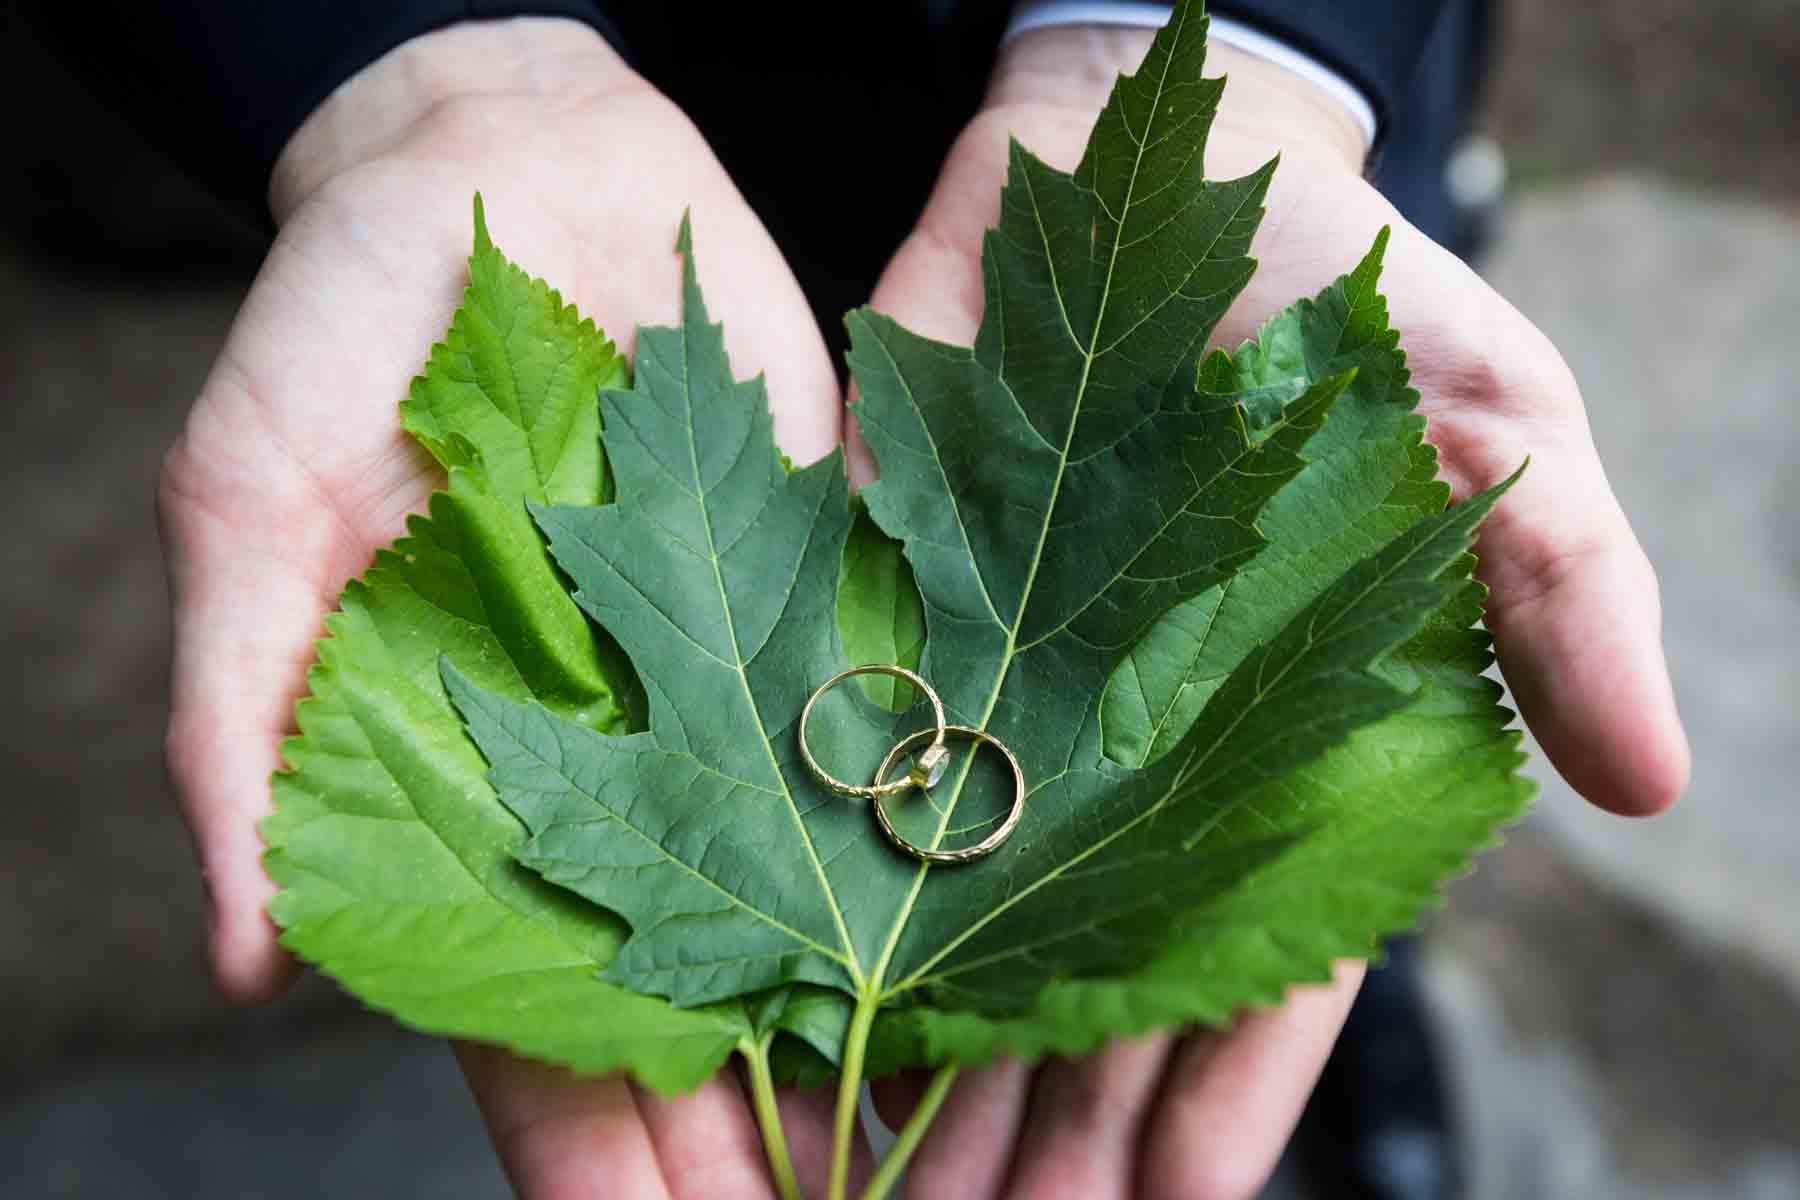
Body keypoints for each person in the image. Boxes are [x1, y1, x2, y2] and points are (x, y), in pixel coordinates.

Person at [34, 2, 1689, 1196]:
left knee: (1302, 718)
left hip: (1184, 142)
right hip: (645, 140)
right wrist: (410, 64)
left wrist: (1247, 50)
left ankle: (1346, 980)